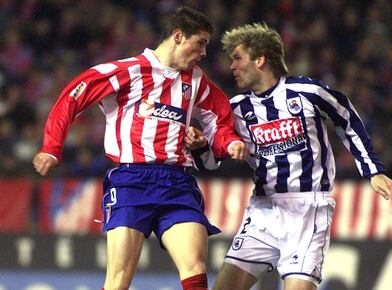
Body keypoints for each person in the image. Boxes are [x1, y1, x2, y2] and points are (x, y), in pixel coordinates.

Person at [32, 7, 248, 290]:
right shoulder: (127, 71)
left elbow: (220, 118)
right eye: (201, 43)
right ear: (179, 36)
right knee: (119, 280)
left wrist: (227, 142)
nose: (204, 53)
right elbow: (73, 95)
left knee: (195, 269)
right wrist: (52, 147)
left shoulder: (197, 81)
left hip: (178, 184)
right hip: (131, 182)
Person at [185, 23, 392, 290]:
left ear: (260, 60)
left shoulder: (307, 92)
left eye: (237, 58)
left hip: (308, 209)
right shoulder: (236, 109)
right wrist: (199, 147)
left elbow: (346, 117)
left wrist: (373, 170)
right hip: (263, 210)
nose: (232, 66)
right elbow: (211, 161)